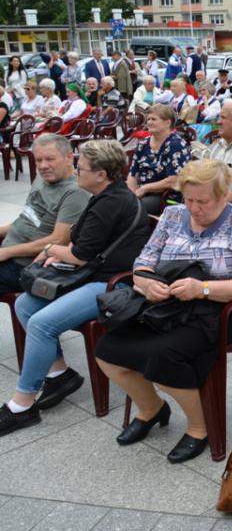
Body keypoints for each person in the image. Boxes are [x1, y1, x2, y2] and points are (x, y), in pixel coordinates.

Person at [95, 159, 232, 463]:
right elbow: (142, 263)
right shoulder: (173, 215)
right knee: (106, 349)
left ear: (224, 195)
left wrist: (203, 289)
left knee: (163, 357)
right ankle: (151, 409)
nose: (195, 208)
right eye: (189, 199)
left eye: (204, 201)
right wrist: (146, 284)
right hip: (166, 306)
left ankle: (199, 428)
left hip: (216, 310)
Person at [0, 140, 150, 437]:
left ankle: (23, 404)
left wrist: (51, 250)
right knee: (25, 305)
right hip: (92, 274)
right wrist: (58, 250)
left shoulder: (109, 203)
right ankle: (59, 373)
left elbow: (79, 255)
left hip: (111, 285)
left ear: (102, 173)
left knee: (42, 323)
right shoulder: (103, 195)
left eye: (81, 167)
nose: (76, 171)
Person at [0, 134, 89, 294]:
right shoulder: (43, 178)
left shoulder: (75, 193)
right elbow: (27, 219)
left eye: (50, 159)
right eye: (38, 160)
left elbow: (59, 240)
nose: (43, 166)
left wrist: (7, 252)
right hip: (8, 249)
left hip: (26, 265)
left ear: (69, 157)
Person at [127, 104, 191, 215]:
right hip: (141, 192)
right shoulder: (143, 143)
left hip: (166, 195)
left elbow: (174, 180)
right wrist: (133, 194)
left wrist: (145, 189)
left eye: (154, 119)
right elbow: (133, 174)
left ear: (168, 123)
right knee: (115, 202)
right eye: (148, 119)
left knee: (130, 209)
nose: (149, 122)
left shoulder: (176, 144)